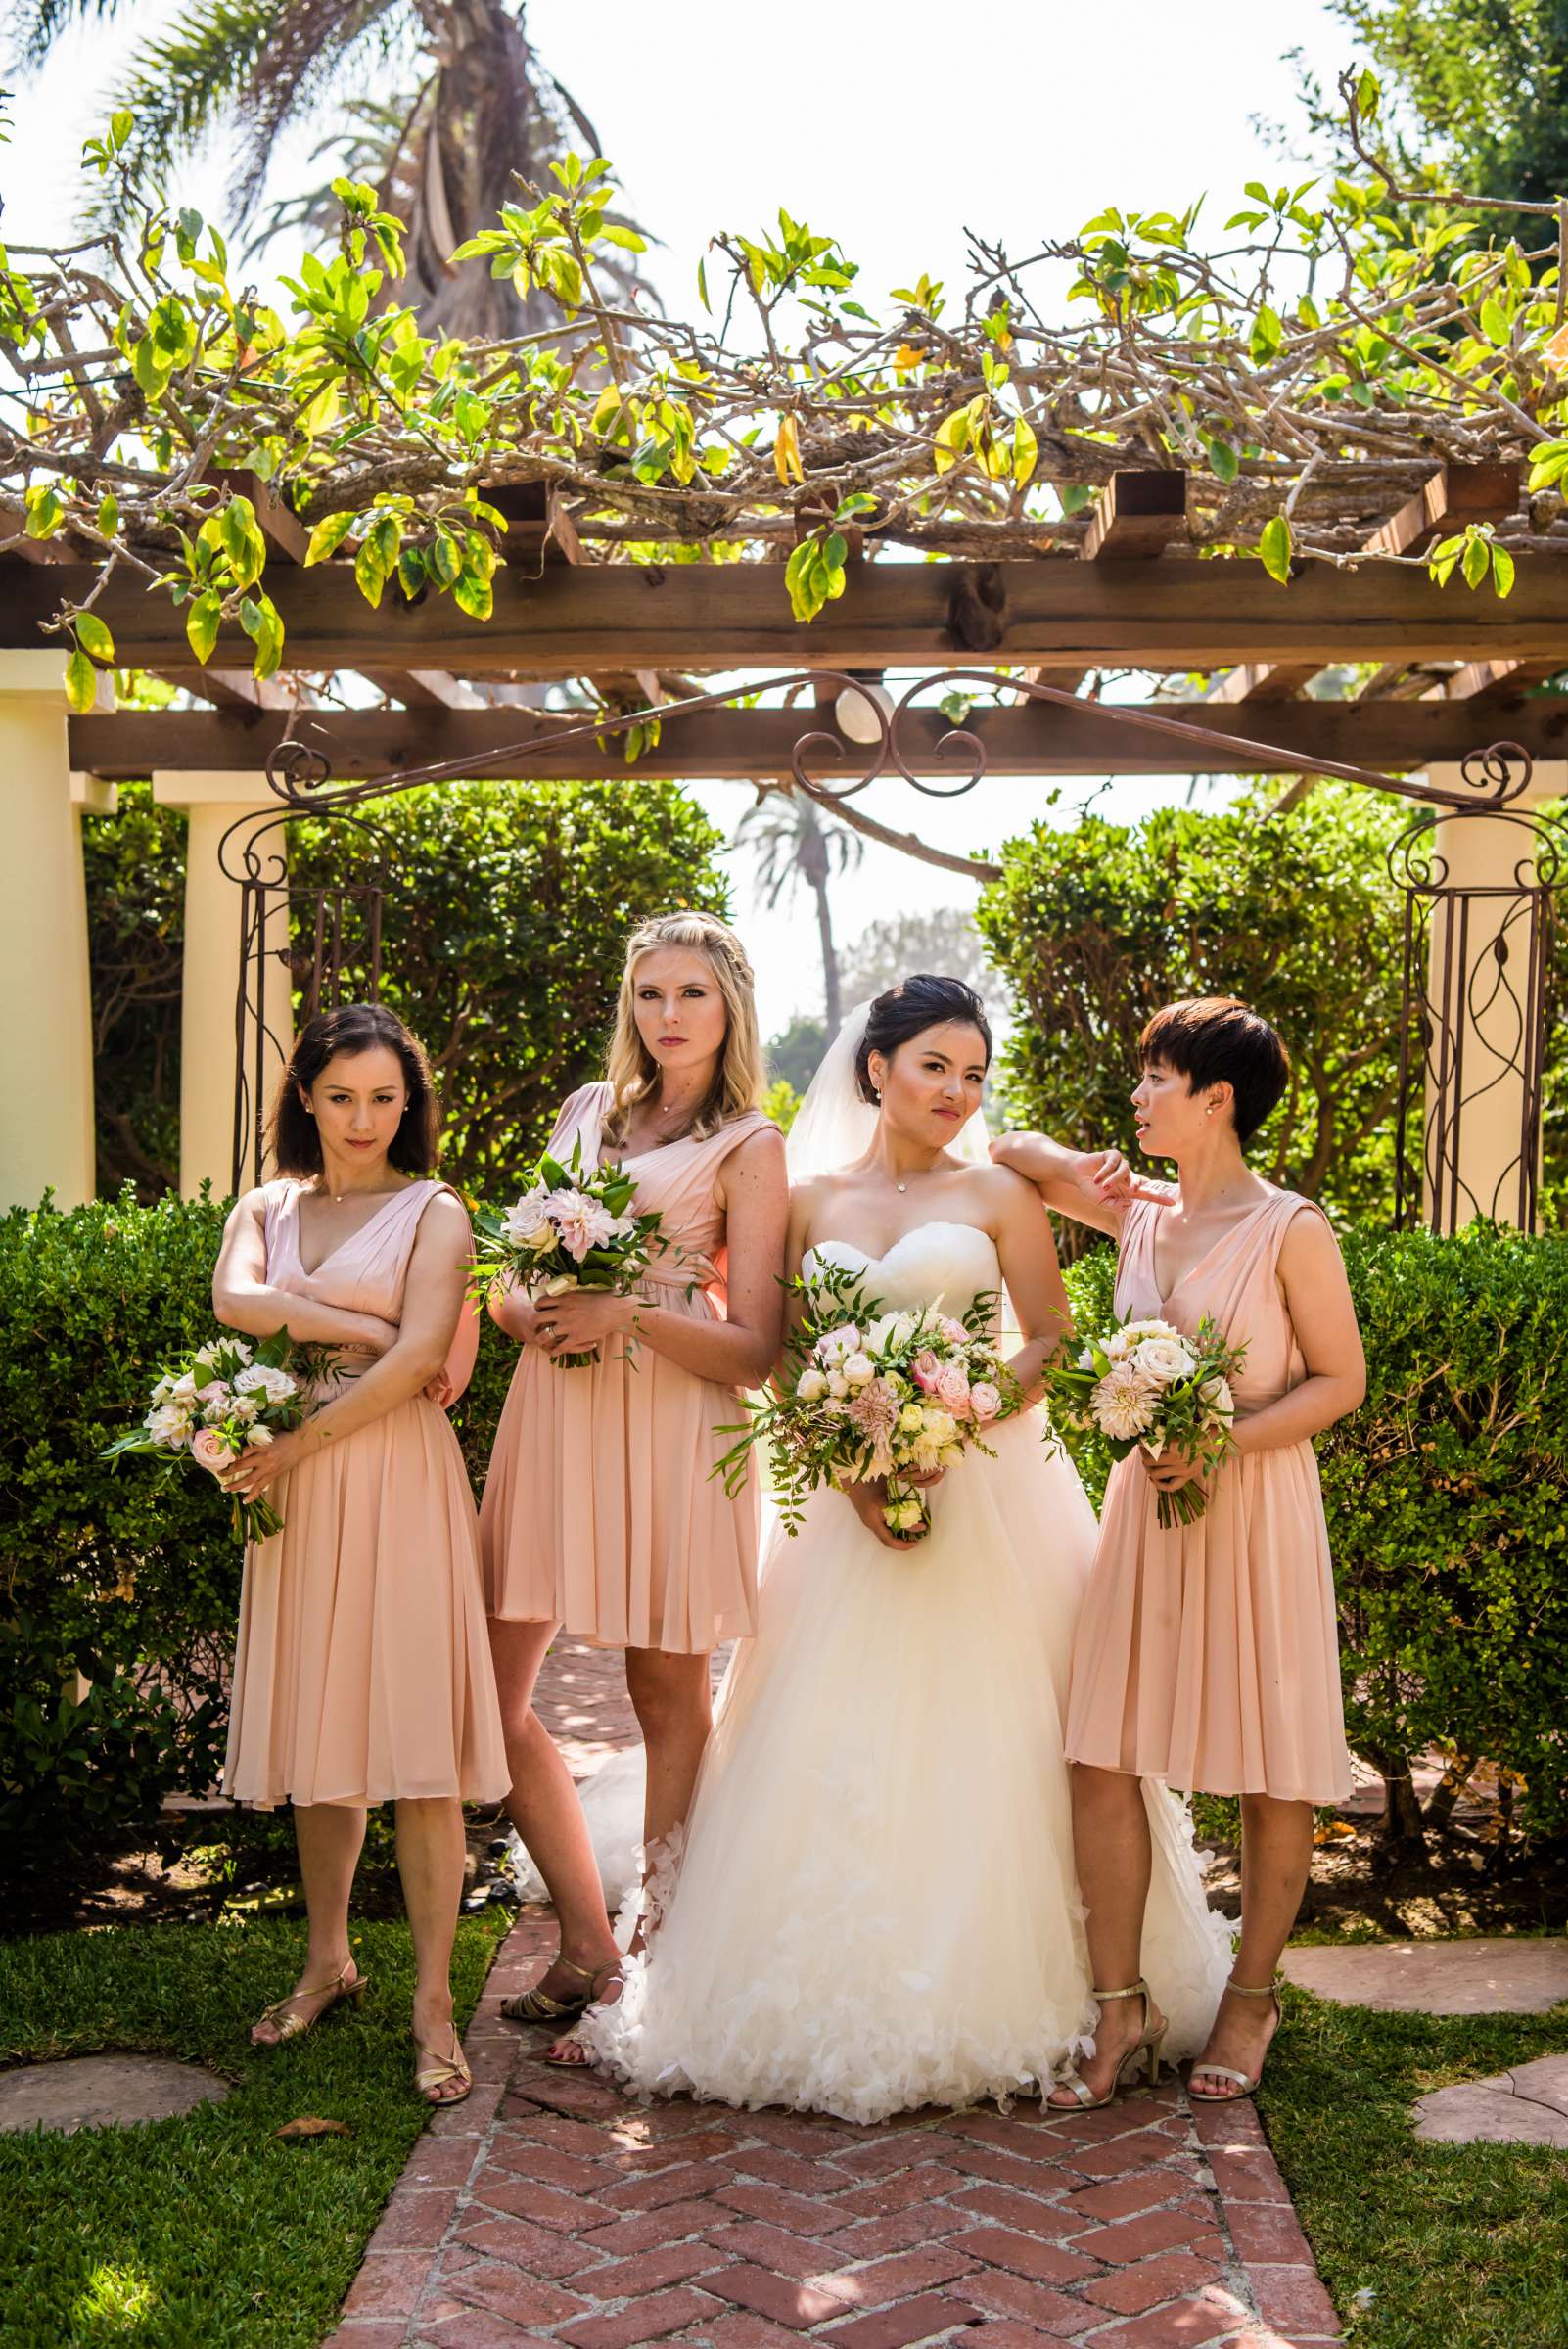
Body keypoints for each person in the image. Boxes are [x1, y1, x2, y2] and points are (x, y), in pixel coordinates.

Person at [576, 976, 1232, 2120]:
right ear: (877, 1068)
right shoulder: (811, 1195)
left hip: (993, 1497)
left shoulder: (999, 1192)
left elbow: (1050, 1338)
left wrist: (963, 1412)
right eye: (935, 1065)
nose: (957, 1090)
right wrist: (851, 1464)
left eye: (974, 1072)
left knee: (1017, 1731)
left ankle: (1072, 1986)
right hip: (847, 1503)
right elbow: (779, 1351)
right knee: (829, 1731)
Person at [994, 996, 1365, 2107]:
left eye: (1158, 1079)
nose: (1139, 1094)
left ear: (1219, 1100)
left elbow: (1340, 1382)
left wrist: (1220, 1443)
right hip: (1142, 1525)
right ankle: (1121, 2010)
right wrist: (1090, 1167)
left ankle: (1251, 1998)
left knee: (1265, 1762)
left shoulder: (1291, 1227)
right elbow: (1010, 1154)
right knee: (1102, 1751)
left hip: (1252, 1515)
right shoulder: (1145, 1215)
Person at [481, 911, 789, 2051]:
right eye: (651, 994)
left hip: (669, 1422)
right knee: (487, 1690)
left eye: (691, 996)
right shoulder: (584, 1115)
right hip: (555, 1413)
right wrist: (529, 1314)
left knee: (666, 1698)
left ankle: (665, 1958)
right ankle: (586, 1938)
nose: (668, 1016)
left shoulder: (751, 1146)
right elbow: (508, 1283)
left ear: (729, 1010)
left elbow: (754, 1346)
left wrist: (629, 1316)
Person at [212, 1002, 508, 2105]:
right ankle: (328, 1960)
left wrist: (300, 1439)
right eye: (341, 1097)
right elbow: (231, 1296)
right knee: (320, 1730)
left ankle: (434, 2004)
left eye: (385, 1098)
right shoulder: (265, 1205)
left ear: (410, 1104)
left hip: (390, 1477)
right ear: (304, 1096)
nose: (363, 1118)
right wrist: (352, 1328)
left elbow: (423, 1357)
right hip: (298, 1494)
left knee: (418, 1743)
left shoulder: (435, 1209)